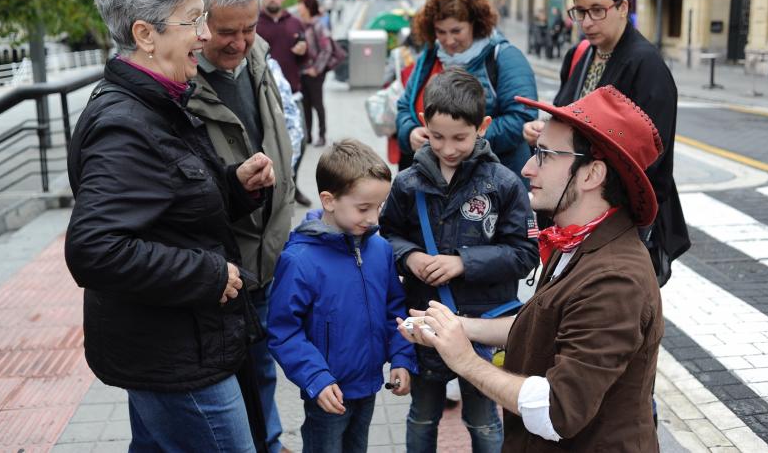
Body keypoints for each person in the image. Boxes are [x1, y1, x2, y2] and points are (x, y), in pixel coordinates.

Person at [64, 0, 276, 452]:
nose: (205, 35)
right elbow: (95, 248)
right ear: (145, 34)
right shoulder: (124, 124)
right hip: (176, 355)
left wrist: (234, 184)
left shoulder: (160, 102)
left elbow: (169, 204)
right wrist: (206, 273)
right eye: (194, 20)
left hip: (178, 344)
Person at [400, 85, 666, 452]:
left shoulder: (616, 281)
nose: (526, 167)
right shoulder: (576, 243)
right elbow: (540, 326)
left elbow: (558, 410)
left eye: (543, 154)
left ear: (591, 175)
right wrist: (458, 327)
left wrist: (465, 361)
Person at [381, 68, 539, 453]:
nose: (448, 148)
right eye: (437, 137)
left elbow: (525, 253)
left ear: (482, 126)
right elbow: (386, 235)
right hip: (427, 321)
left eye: (460, 138)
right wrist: (411, 256)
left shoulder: (503, 183)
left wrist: (463, 262)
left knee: (484, 421)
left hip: (483, 325)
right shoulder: (407, 183)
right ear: (424, 125)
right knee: (422, 415)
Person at [522, 0, 689, 287]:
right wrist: (543, 133)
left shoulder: (647, 67)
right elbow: (564, 118)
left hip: (616, 222)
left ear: (623, 7)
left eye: (597, 10)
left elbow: (653, 160)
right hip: (573, 212)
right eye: (579, 11)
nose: (587, 22)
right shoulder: (580, 54)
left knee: (610, 312)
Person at [187, 0, 295, 453]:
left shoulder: (256, 56)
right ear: (195, 21)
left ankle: (268, 441)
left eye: (249, 28)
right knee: (233, 382)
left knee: (263, 369)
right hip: (219, 268)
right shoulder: (178, 82)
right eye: (226, 31)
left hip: (267, 255)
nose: (240, 42)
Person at [268, 139, 417, 453]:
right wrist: (315, 377)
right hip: (328, 391)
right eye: (364, 208)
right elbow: (283, 330)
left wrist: (402, 356)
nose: (374, 218)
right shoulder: (300, 261)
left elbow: (395, 308)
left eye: (379, 207)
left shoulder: (380, 249)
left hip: (368, 385)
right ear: (329, 200)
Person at [395, 0, 538, 177]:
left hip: (494, 180)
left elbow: (522, 118)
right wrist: (410, 133)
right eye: (440, 32)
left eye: (456, 31)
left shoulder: (505, 57)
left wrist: (465, 140)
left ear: (475, 24)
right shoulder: (429, 56)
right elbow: (405, 107)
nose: (448, 40)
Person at [258, 0, 313, 207]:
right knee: (268, 145)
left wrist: (303, 52)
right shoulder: (255, 24)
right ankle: (271, 190)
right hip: (264, 97)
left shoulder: (294, 22)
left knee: (301, 142)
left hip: (293, 94)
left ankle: (292, 183)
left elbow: (305, 60)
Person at [297, 0, 333, 148]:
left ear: (308, 8)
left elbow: (327, 49)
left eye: (301, 5)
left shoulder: (318, 25)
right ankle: (309, 135)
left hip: (315, 72)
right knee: (305, 104)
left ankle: (322, 135)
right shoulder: (300, 24)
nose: (298, 8)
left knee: (317, 104)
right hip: (303, 71)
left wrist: (316, 69)